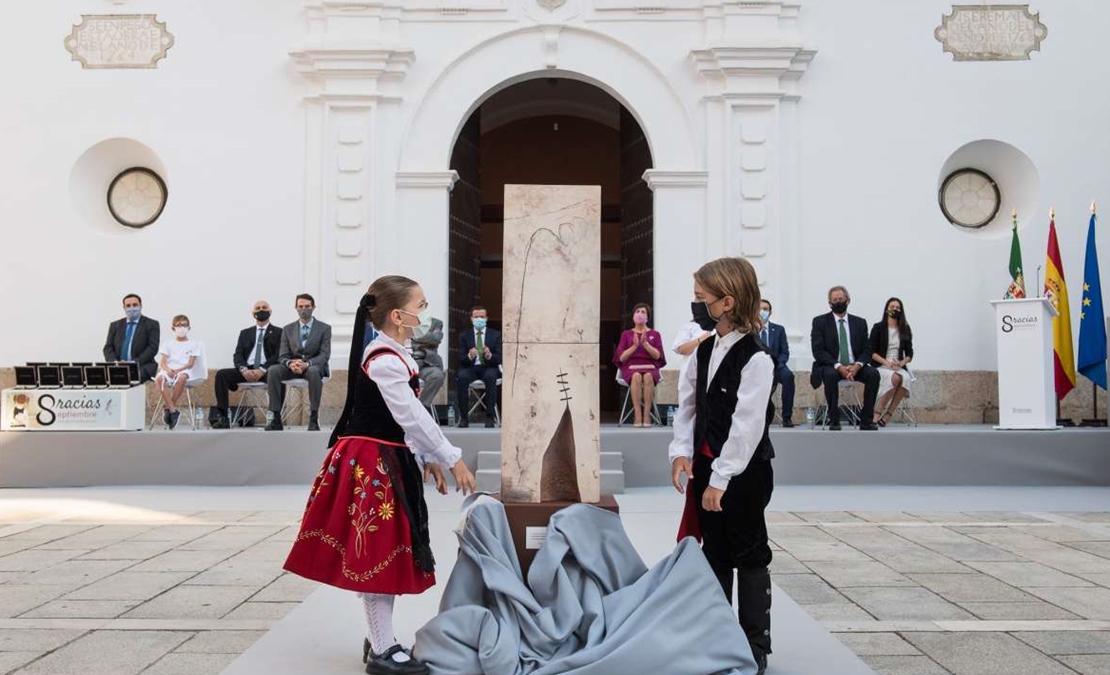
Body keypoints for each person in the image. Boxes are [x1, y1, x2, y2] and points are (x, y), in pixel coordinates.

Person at [282, 275, 476, 675]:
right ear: (397, 315)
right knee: (377, 553)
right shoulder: (385, 358)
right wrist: (450, 455)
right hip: (371, 462)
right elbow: (410, 414)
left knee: (385, 551)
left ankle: (381, 638)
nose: (423, 313)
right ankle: (383, 648)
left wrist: (427, 458)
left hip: (386, 457)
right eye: (419, 306)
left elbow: (403, 421)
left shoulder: (394, 352)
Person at [669, 257, 775, 675]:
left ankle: (754, 644)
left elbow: (747, 427)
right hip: (704, 467)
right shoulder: (704, 350)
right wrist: (680, 450)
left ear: (727, 301)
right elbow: (689, 406)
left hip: (743, 474)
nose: (697, 306)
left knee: (748, 553)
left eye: (702, 299)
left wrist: (721, 479)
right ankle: (717, 635)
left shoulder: (757, 358)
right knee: (712, 552)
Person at [809, 285, 880, 431]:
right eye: (834, 300)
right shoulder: (820, 322)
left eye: (840, 299)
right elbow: (818, 351)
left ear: (848, 301)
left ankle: (866, 420)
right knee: (829, 375)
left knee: (873, 374)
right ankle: (834, 419)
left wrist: (857, 365)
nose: (837, 302)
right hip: (831, 365)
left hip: (856, 366)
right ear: (829, 303)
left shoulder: (860, 323)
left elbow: (867, 349)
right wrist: (838, 366)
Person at [211, 300, 282, 429]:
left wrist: (262, 369)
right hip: (247, 369)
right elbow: (238, 355)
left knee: (278, 374)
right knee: (221, 375)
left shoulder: (279, 332)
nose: (261, 310)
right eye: (258, 308)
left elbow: (278, 356)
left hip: (268, 370)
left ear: (270, 312)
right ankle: (223, 417)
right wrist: (243, 370)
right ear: (253, 313)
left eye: (264, 307)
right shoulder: (245, 333)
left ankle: (276, 419)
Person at [266, 294, 332, 431]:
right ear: (296, 308)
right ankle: (276, 417)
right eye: (300, 306)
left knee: (314, 372)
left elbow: (324, 355)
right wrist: (290, 363)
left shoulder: (324, 328)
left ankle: (313, 418)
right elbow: (283, 355)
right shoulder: (287, 329)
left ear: (313, 307)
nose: (304, 309)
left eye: (307, 306)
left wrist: (306, 364)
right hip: (292, 367)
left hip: (312, 367)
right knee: (273, 370)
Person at [615, 303, 666, 427]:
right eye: (638, 311)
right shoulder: (626, 334)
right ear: (633, 316)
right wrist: (634, 346)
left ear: (647, 317)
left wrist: (646, 345)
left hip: (650, 367)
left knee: (648, 376)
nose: (640, 314)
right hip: (631, 368)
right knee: (636, 376)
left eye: (643, 312)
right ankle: (637, 415)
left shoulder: (655, 334)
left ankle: (647, 414)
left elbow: (658, 356)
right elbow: (621, 357)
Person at [869, 297, 914, 427]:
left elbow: (910, 354)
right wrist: (888, 363)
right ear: (886, 309)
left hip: (898, 365)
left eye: (898, 308)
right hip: (882, 364)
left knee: (905, 379)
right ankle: (877, 413)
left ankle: (889, 414)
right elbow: (871, 352)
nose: (895, 309)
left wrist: (901, 363)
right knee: (894, 378)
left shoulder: (905, 328)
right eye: (892, 307)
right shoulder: (878, 327)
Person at [455, 306, 502, 428]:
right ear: (471, 319)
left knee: (491, 376)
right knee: (462, 377)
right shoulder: (464, 336)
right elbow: (461, 359)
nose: (479, 319)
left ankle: (490, 417)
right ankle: (464, 418)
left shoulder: (496, 335)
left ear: (486, 319)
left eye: (482, 317)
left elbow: (499, 358)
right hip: (471, 368)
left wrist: (488, 354)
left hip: (488, 367)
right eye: (476, 317)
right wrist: (470, 355)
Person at [154, 314, 200, 430]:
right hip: (168, 370)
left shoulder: (194, 344)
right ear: (173, 327)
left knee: (182, 378)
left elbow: (191, 363)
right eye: (179, 325)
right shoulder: (167, 343)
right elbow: (163, 363)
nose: (181, 328)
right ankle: (173, 411)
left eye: (184, 325)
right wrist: (169, 370)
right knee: (159, 380)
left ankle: (169, 407)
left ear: (189, 327)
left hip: (184, 370)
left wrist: (178, 370)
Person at [103, 293, 160, 382]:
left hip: (141, 366)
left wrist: (133, 363)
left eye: (135, 305)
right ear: (124, 308)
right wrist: (115, 363)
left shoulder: (151, 324)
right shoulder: (115, 325)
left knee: (129, 377)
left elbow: (152, 348)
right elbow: (108, 348)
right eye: (128, 305)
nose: (131, 308)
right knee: (97, 377)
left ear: (140, 306)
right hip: (118, 366)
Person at [758, 299, 795, 427]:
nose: (762, 312)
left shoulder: (779, 330)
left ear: (770, 312)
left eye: (765, 309)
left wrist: (776, 365)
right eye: (759, 308)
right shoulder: (749, 330)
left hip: (776, 367)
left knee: (788, 376)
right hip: (756, 368)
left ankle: (787, 417)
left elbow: (785, 352)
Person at [410, 316, 445, 411]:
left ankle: (422, 407)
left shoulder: (436, 323)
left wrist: (413, 334)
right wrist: (427, 338)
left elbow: (436, 339)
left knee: (437, 376)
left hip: (427, 363)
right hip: (408, 363)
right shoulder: (405, 320)